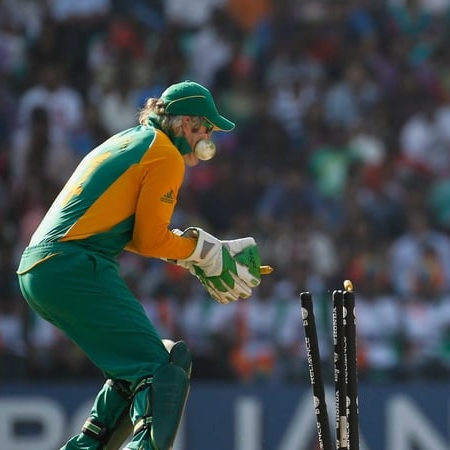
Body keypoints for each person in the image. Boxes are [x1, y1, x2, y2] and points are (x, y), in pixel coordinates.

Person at [16, 80, 267, 450]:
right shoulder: (164, 153)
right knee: (159, 369)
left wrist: (193, 253)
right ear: (185, 124)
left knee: (163, 360)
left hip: (42, 268)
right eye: (207, 128)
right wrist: (200, 251)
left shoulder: (131, 139)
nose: (210, 137)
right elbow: (150, 238)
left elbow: (134, 233)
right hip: (74, 264)